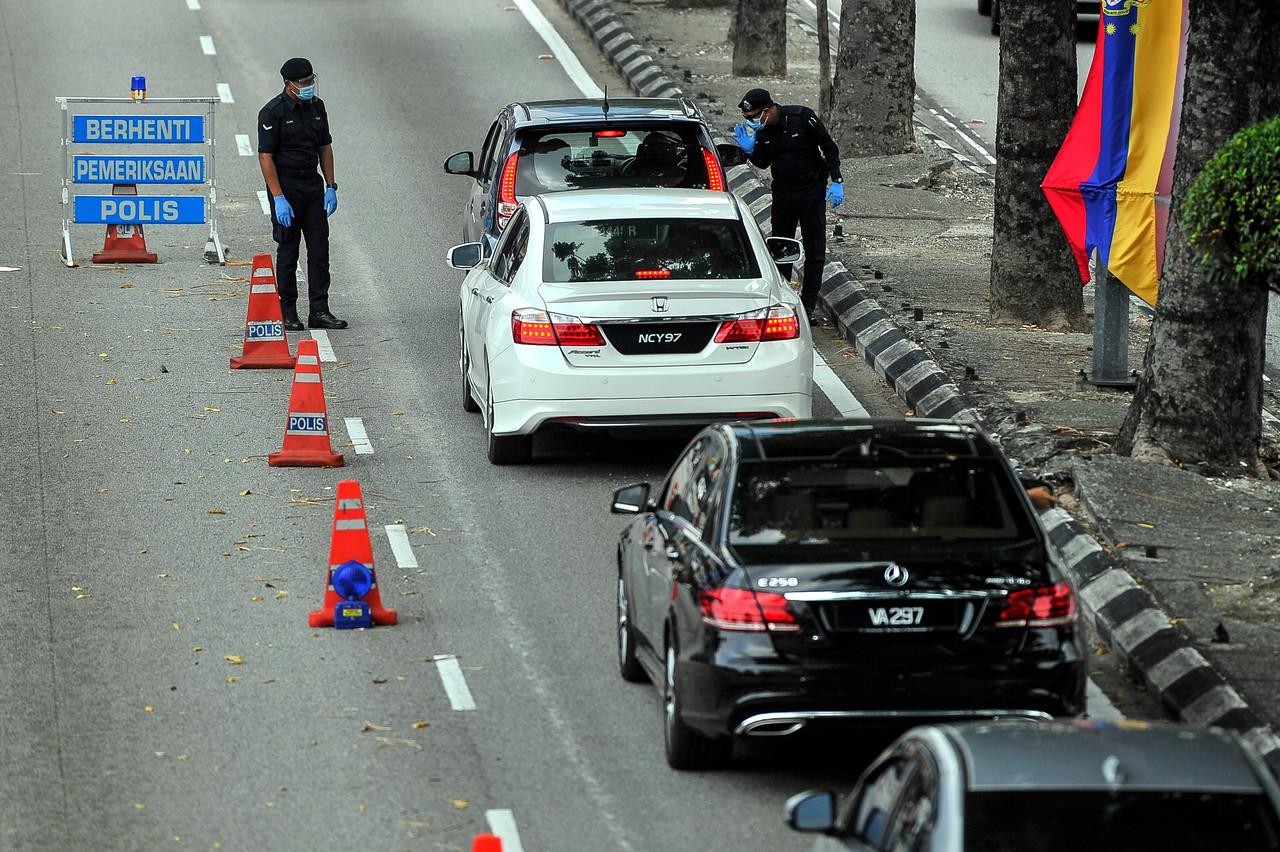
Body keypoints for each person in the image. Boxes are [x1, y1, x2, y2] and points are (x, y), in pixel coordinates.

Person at [733, 87, 843, 324]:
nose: (752, 122)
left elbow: (829, 147)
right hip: (784, 194)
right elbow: (763, 163)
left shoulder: (801, 117)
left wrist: (837, 180)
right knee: (782, 248)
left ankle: (809, 304)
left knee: (814, 248)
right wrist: (750, 150)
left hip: (812, 191)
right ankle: (785, 300)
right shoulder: (762, 132)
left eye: (753, 117)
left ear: (767, 110)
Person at [257, 57, 345, 330]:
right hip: (286, 188)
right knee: (289, 251)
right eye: (303, 83)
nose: (308, 86)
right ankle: (288, 312)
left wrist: (330, 185)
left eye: (311, 81)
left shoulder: (317, 108)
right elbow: (265, 157)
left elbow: (325, 147)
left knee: (320, 250)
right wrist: (278, 197)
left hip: (312, 187)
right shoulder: (273, 112)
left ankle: (319, 310)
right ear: (288, 84)